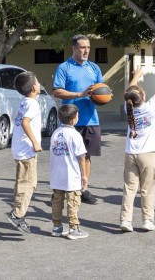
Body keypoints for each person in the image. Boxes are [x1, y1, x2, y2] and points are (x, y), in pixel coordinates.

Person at [120, 63, 155, 233]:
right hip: (147, 154)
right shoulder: (150, 107)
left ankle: (126, 221)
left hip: (130, 153)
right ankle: (147, 220)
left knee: (129, 188)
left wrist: (136, 75)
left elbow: (129, 92)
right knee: (147, 189)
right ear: (143, 96)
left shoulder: (127, 108)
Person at [53, 34, 103, 205]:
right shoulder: (64, 68)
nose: (86, 50)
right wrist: (79, 94)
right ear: (74, 47)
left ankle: (83, 190)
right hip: (69, 121)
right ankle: (62, 190)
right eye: (82, 47)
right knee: (66, 157)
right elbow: (57, 91)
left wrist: (103, 97)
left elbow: (101, 90)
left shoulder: (94, 68)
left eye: (88, 47)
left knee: (86, 156)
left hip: (91, 119)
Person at [7, 71, 42, 234]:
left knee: (24, 182)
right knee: (28, 183)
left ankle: (18, 212)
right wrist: (35, 142)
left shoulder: (24, 102)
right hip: (26, 149)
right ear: (34, 87)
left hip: (21, 148)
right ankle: (17, 214)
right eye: (38, 81)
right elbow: (26, 123)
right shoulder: (32, 104)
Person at [49, 104, 89, 240]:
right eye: (77, 115)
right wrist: (84, 175)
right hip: (71, 175)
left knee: (57, 201)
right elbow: (81, 157)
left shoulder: (55, 133)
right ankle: (73, 228)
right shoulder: (75, 135)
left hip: (56, 175)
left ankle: (57, 227)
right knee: (73, 201)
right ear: (73, 119)